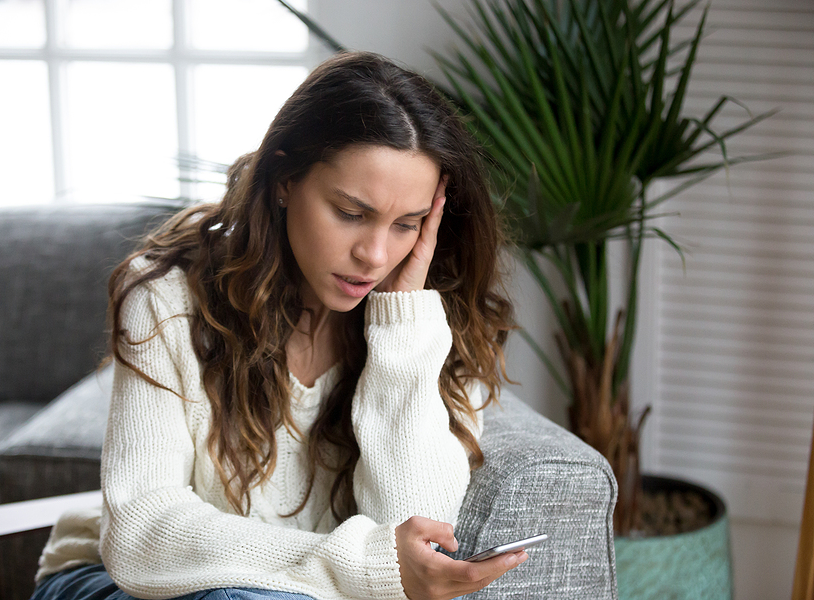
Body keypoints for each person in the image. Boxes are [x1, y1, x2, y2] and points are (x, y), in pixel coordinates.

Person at [30, 51, 521, 600]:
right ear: (286, 178)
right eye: (351, 213)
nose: (375, 254)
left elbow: (416, 543)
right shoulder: (168, 295)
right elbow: (143, 535)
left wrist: (400, 327)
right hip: (113, 579)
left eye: (406, 225)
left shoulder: (429, 323)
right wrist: (361, 565)